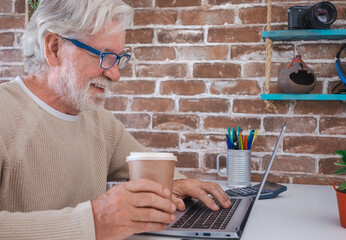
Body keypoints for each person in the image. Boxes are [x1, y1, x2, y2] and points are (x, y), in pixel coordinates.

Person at [0, 0, 231, 239]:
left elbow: (149, 168)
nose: (115, 74)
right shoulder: (4, 114)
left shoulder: (100, 123)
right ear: (54, 48)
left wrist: (174, 183)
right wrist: (94, 222)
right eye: (102, 55)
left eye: (117, 58)